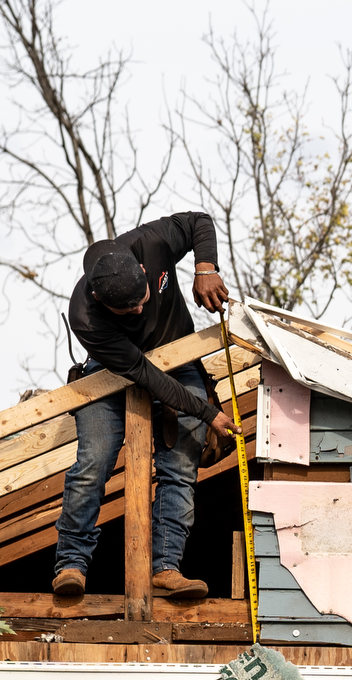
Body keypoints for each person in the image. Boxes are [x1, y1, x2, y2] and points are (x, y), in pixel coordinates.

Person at [51, 212, 234, 602]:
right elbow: (145, 375)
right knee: (94, 461)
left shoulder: (150, 242)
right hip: (114, 370)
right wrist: (208, 412)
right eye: (128, 310)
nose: (138, 311)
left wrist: (205, 268)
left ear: (142, 268)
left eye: (143, 301)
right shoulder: (86, 317)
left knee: (181, 465)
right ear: (101, 299)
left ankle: (166, 568)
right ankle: (71, 564)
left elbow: (199, 221)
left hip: (178, 355)